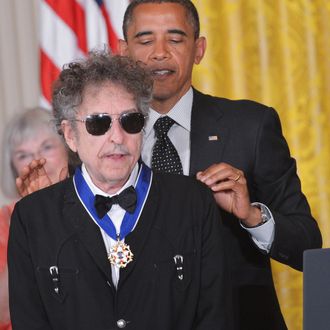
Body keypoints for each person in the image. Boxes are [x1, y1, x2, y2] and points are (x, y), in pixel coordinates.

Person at [16, 1, 322, 329]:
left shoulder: (251, 126)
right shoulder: (94, 139)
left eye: (175, 40)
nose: (160, 53)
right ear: (124, 50)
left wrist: (252, 216)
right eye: (146, 41)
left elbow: (309, 247)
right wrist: (53, 208)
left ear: (199, 48)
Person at [8, 51, 231, 330]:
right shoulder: (33, 218)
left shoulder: (192, 202)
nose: (117, 137)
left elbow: (215, 317)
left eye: (130, 121)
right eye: (99, 124)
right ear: (69, 135)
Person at [0, 107, 70, 330]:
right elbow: (3, 313)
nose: (37, 160)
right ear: (12, 166)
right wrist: (27, 226)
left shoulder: (99, 200)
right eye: (23, 155)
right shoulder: (4, 222)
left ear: (68, 147)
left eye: (47, 147)